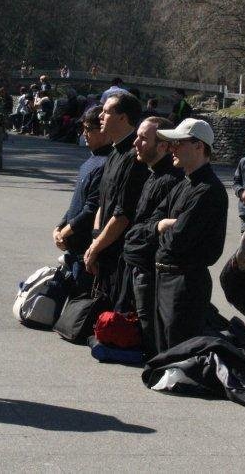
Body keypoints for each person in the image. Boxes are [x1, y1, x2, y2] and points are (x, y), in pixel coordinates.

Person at [147, 118, 228, 353]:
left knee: (177, 357)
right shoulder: (182, 185)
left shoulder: (209, 190)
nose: (172, 148)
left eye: (178, 143)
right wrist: (164, 225)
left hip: (185, 284)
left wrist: (164, 228)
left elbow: (177, 241)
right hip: (164, 278)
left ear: (199, 146)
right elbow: (151, 223)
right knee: (163, 355)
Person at [119, 116, 184, 358]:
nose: (136, 142)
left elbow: (157, 229)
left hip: (151, 269)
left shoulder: (170, 181)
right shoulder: (152, 174)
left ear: (164, 146)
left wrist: (142, 234)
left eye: (143, 138)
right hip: (137, 263)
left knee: (152, 336)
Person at [84, 92, 148, 303]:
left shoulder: (134, 157)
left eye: (106, 111)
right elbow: (103, 202)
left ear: (122, 117)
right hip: (104, 247)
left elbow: (123, 214)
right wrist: (95, 239)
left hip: (120, 256)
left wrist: (96, 247)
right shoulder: (113, 152)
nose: (100, 116)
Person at [53, 106, 111, 257]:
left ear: (104, 130)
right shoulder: (92, 160)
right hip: (73, 245)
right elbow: (77, 202)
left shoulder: (105, 164)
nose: (84, 133)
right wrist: (60, 226)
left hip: (85, 248)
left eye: (88, 128)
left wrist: (65, 232)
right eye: (83, 128)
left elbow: (92, 208)